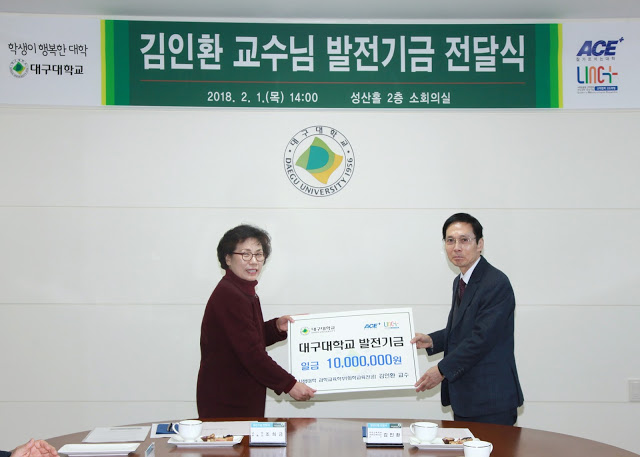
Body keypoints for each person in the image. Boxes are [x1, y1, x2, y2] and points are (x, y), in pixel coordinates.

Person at [411, 213, 524, 425]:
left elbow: (481, 339)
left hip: (491, 400)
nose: (456, 247)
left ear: (480, 244)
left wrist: (441, 370)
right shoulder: (460, 281)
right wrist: (432, 340)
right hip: (465, 398)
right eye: (450, 240)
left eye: (464, 240)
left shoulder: (495, 283)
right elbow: (464, 328)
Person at [197, 224, 316, 418]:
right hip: (228, 400)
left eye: (259, 254)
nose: (253, 261)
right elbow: (251, 353)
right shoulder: (230, 295)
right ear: (228, 258)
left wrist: (276, 327)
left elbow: (246, 337)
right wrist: (290, 385)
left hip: (240, 395)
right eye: (245, 254)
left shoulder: (243, 290)